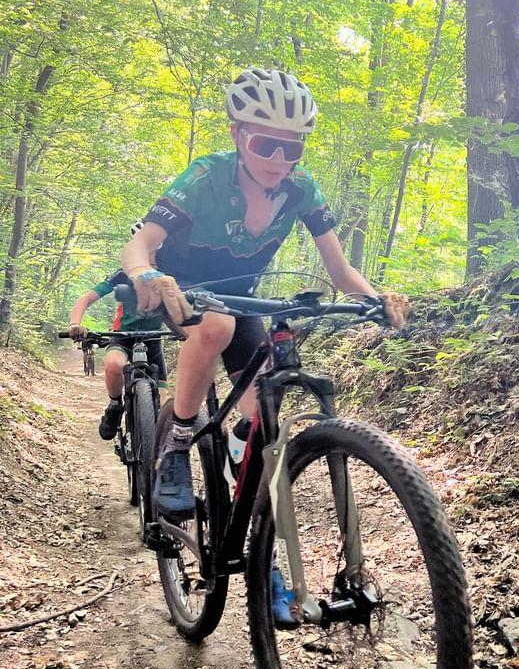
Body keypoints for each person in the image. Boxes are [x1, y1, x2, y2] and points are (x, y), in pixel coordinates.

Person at [120, 66, 409, 529]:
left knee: (261, 410)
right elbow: (139, 242)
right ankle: (175, 443)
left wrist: (376, 298)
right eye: (264, 144)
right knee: (216, 326)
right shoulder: (203, 177)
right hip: (184, 291)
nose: (278, 158)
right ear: (238, 135)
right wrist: (147, 273)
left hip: (240, 297)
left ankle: (242, 473)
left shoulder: (302, 189)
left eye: (291, 147)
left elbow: (339, 269)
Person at [68, 222, 168, 440]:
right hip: (122, 336)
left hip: (154, 340)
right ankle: (115, 405)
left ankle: (154, 458)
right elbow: (86, 298)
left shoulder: (169, 275)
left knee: (163, 410)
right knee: (114, 365)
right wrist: (75, 324)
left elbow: (182, 308)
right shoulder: (124, 274)